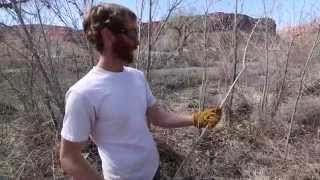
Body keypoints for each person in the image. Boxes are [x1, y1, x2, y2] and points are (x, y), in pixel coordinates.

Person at [59, 3, 222, 180]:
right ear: (108, 35)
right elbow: (69, 157)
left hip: (153, 171)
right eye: (132, 33)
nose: (137, 41)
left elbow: (158, 116)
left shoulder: (137, 77)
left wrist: (196, 118)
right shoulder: (82, 94)